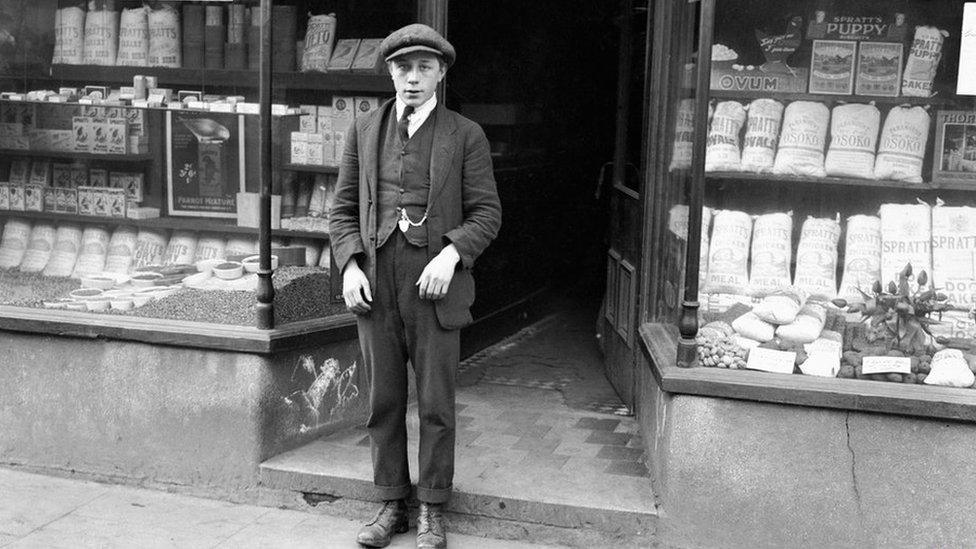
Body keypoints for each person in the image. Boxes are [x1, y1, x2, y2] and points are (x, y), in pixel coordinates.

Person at [329, 23, 502, 549]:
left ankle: (431, 509)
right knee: (383, 400)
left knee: (435, 403)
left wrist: (451, 254)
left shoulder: (464, 134)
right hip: (376, 282)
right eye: (403, 67)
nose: (412, 77)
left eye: (424, 67)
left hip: (434, 287)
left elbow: (488, 213)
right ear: (390, 71)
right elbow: (340, 211)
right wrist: (350, 266)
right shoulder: (364, 130)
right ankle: (390, 506)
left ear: (441, 73)